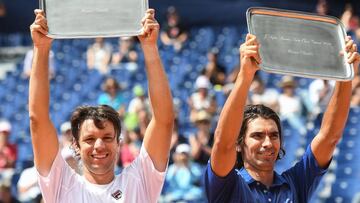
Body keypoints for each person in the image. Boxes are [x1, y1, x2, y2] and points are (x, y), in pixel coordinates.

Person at [29, 8, 174, 203]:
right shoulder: (60, 184)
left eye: (107, 137)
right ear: (76, 146)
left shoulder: (140, 180)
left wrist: (150, 48)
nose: (99, 145)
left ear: (118, 142)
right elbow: (37, 119)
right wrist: (41, 48)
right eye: (89, 139)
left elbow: (164, 121)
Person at [204, 34, 360, 202]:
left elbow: (330, 137)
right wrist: (245, 75)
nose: (268, 143)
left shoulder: (296, 183)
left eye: (274, 135)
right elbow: (223, 144)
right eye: (257, 135)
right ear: (239, 144)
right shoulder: (227, 185)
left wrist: (345, 76)